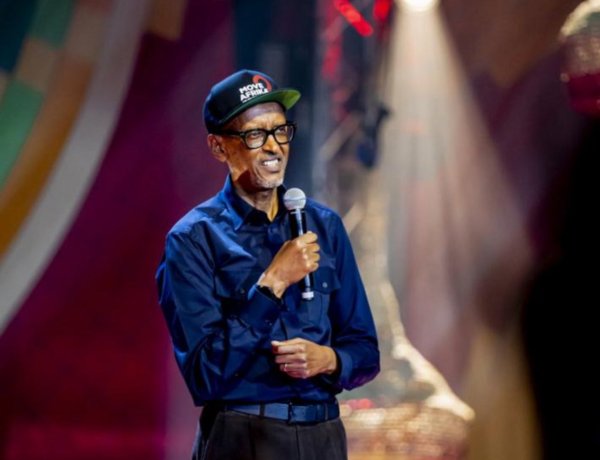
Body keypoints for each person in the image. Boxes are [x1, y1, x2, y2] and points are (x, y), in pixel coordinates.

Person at [156, 69, 380, 460]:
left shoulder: (324, 226)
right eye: (255, 135)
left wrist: (329, 359)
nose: (274, 147)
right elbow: (205, 374)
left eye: (280, 131)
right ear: (219, 147)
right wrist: (272, 282)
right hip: (243, 437)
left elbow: (365, 351)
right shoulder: (193, 240)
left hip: (323, 436)